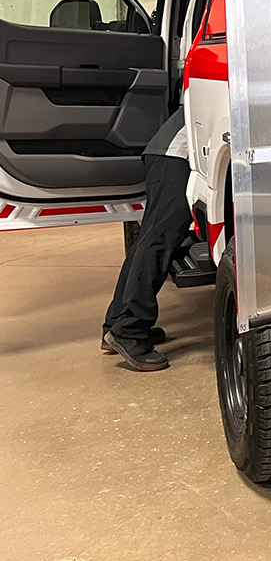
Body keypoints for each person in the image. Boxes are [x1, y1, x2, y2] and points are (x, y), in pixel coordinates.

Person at [101, 108, 192, 371]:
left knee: (150, 240)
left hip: (167, 154)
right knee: (160, 240)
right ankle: (130, 330)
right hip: (177, 155)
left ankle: (114, 325)